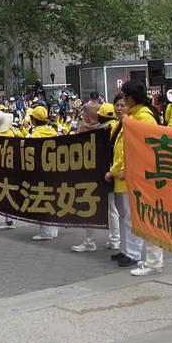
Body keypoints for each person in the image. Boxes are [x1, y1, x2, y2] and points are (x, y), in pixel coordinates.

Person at [112, 80, 163, 273]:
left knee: (138, 217)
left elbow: (139, 148)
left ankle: (140, 256)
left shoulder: (143, 118)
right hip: (132, 173)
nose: (122, 102)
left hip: (141, 176)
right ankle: (138, 255)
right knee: (128, 215)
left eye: (124, 97)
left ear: (131, 98)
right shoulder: (134, 116)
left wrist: (124, 168)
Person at [72, 101, 120, 253]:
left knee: (88, 205)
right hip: (113, 173)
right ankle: (115, 240)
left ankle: (89, 241)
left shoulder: (98, 131)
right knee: (113, 209)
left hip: (96, 174)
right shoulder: (119, 128)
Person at [29, 105, 60, 241]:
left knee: (42, 199)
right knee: (53, 199)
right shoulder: (54, 133)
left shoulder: (34, 136)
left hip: (40, 172)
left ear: (34, 120)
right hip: (54, 170)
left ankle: (45, 231)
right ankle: (53, 230)